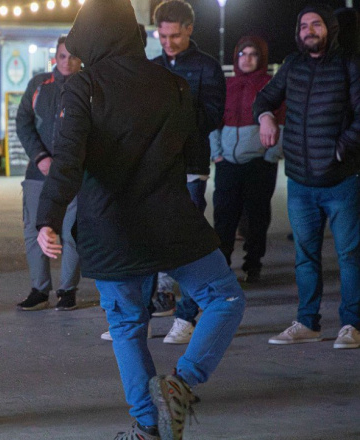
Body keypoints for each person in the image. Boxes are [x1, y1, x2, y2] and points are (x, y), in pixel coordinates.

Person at [35, 1, 244, 438]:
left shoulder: (83, 87)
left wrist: (47, 219)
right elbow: (193, 154)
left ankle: (148, 428)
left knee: (128, 326)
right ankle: (182, 383)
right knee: (224, 298)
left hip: (110, 228)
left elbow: (67, 163)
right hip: (171, 220)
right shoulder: (173, 83)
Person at [255, 5, 360, 350]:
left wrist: (342, 147)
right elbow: (264, 97)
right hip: (300, 182)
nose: (309, 30)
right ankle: (307, 322)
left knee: (350, 256)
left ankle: (352, 325)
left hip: (341, 181)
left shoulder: (349, 65)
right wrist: (266, 117)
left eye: (316, 24)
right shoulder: (292, 66)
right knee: (305, 256)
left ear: (329, 29)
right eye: (303, 25)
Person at [150, 0, 226, 342]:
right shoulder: (151, 68)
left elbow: (212, 116)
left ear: (190, 30)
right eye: (163, 36)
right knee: (153, 239)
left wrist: (169, 126)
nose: (168, 43)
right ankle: (155, 306)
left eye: (175, 36)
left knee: (190, 242)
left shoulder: (208, 67)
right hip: (156, 170)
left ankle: (187, 316)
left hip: (192, 167)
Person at [15, 35, 82, 311]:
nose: (67, 62)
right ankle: (39, 289)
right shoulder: (38, 85)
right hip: (37, 173)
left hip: (74, 174)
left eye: (74, 56)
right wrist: (40, 157)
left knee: (71, 231)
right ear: (55, 56)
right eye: (63, 56)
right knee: (34, 230)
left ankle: (67, 290)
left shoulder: (86, 87)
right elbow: (23, 121)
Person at [211, 36, 284, 286]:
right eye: (243, 54)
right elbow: (215, 122)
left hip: (259, 164)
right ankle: (222, 268)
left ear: (261, 58)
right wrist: (217, 154)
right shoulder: (227, 85)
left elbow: (282, 122)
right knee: (224, 216)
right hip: (227, 163)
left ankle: (253, 265)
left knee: (256, 217)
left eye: (253, 54)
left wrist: (271, 156)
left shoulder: (270, 86)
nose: (247, 59)